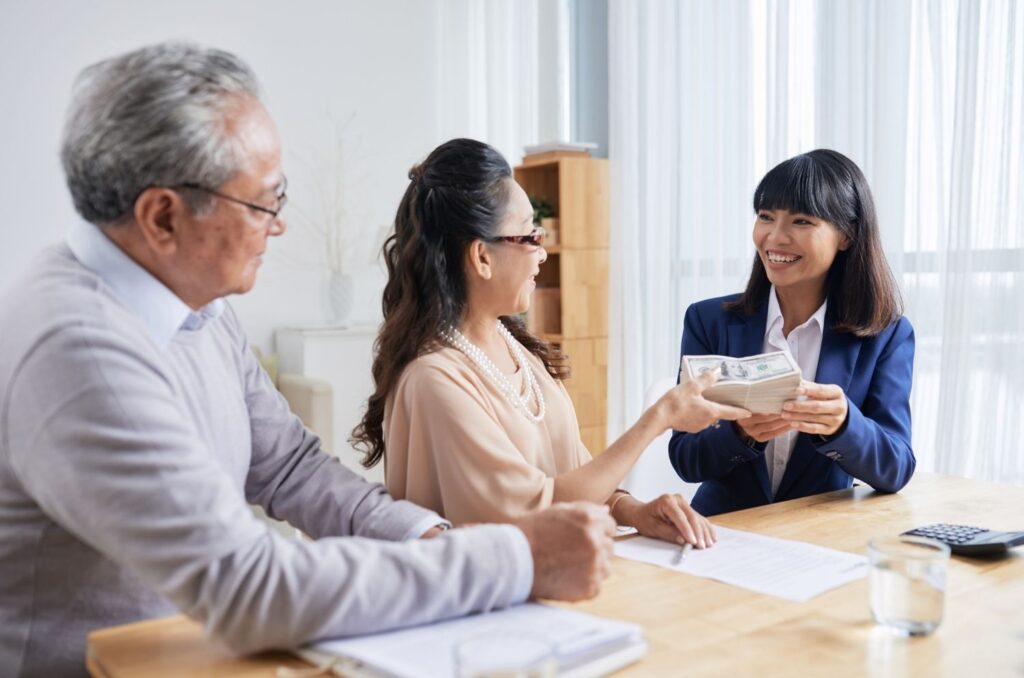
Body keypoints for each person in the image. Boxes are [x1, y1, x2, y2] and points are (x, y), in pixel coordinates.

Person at [0, 43, 616, 677]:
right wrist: (510, 558)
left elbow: (289, 468)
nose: (280, 225)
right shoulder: (79, 349)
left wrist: (425, 534)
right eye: (264, 202)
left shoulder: (199, 306)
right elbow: (245, 585)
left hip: (187, 653)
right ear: (163, 216)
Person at [352, 139, 749, 549]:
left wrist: (633, 511)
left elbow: (577, 476)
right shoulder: (434, 381)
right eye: (530, 236)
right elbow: (534, 514)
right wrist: (660, 417)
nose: (542, 253)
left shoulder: (516, 350)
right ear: (481, 257)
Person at [667, 149, 916, 516]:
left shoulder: (885, 335)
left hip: (818, 539)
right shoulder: (708, 321)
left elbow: (895, 469)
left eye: (801, 221)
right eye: (766, 217)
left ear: (846, 236)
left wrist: (844, 424)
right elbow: (686, 459)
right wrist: (740, 434)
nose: (775, 237)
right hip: (721, 534)